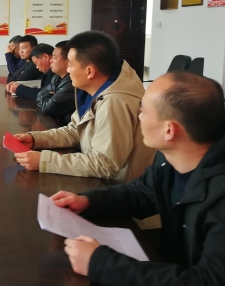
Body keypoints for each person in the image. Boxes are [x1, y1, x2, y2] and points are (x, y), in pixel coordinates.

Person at [52, 71, 225, 285]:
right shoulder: (171, 157)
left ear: (169, 130)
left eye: (142, 110)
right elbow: (142, 193)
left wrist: (99, 264)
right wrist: (88, 201)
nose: (138, 116)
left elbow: (208, 280)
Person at [14, 30, 154, 182]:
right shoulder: (95, 87)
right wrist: (35, 139)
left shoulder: (114, 102)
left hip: (115, 186)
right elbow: (75, 131)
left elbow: (105, 164)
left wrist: (45, 161)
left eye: (70, 64)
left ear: (89, 71)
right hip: (98, 176)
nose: (67, 69)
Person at [35, 41, 75, 124]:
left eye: (54, 57)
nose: (51, 60)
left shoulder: (72, 82)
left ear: (67, 62)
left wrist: (48, 96)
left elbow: (47, 108)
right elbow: (39, 94)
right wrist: (50, 96)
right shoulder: (56, 77)